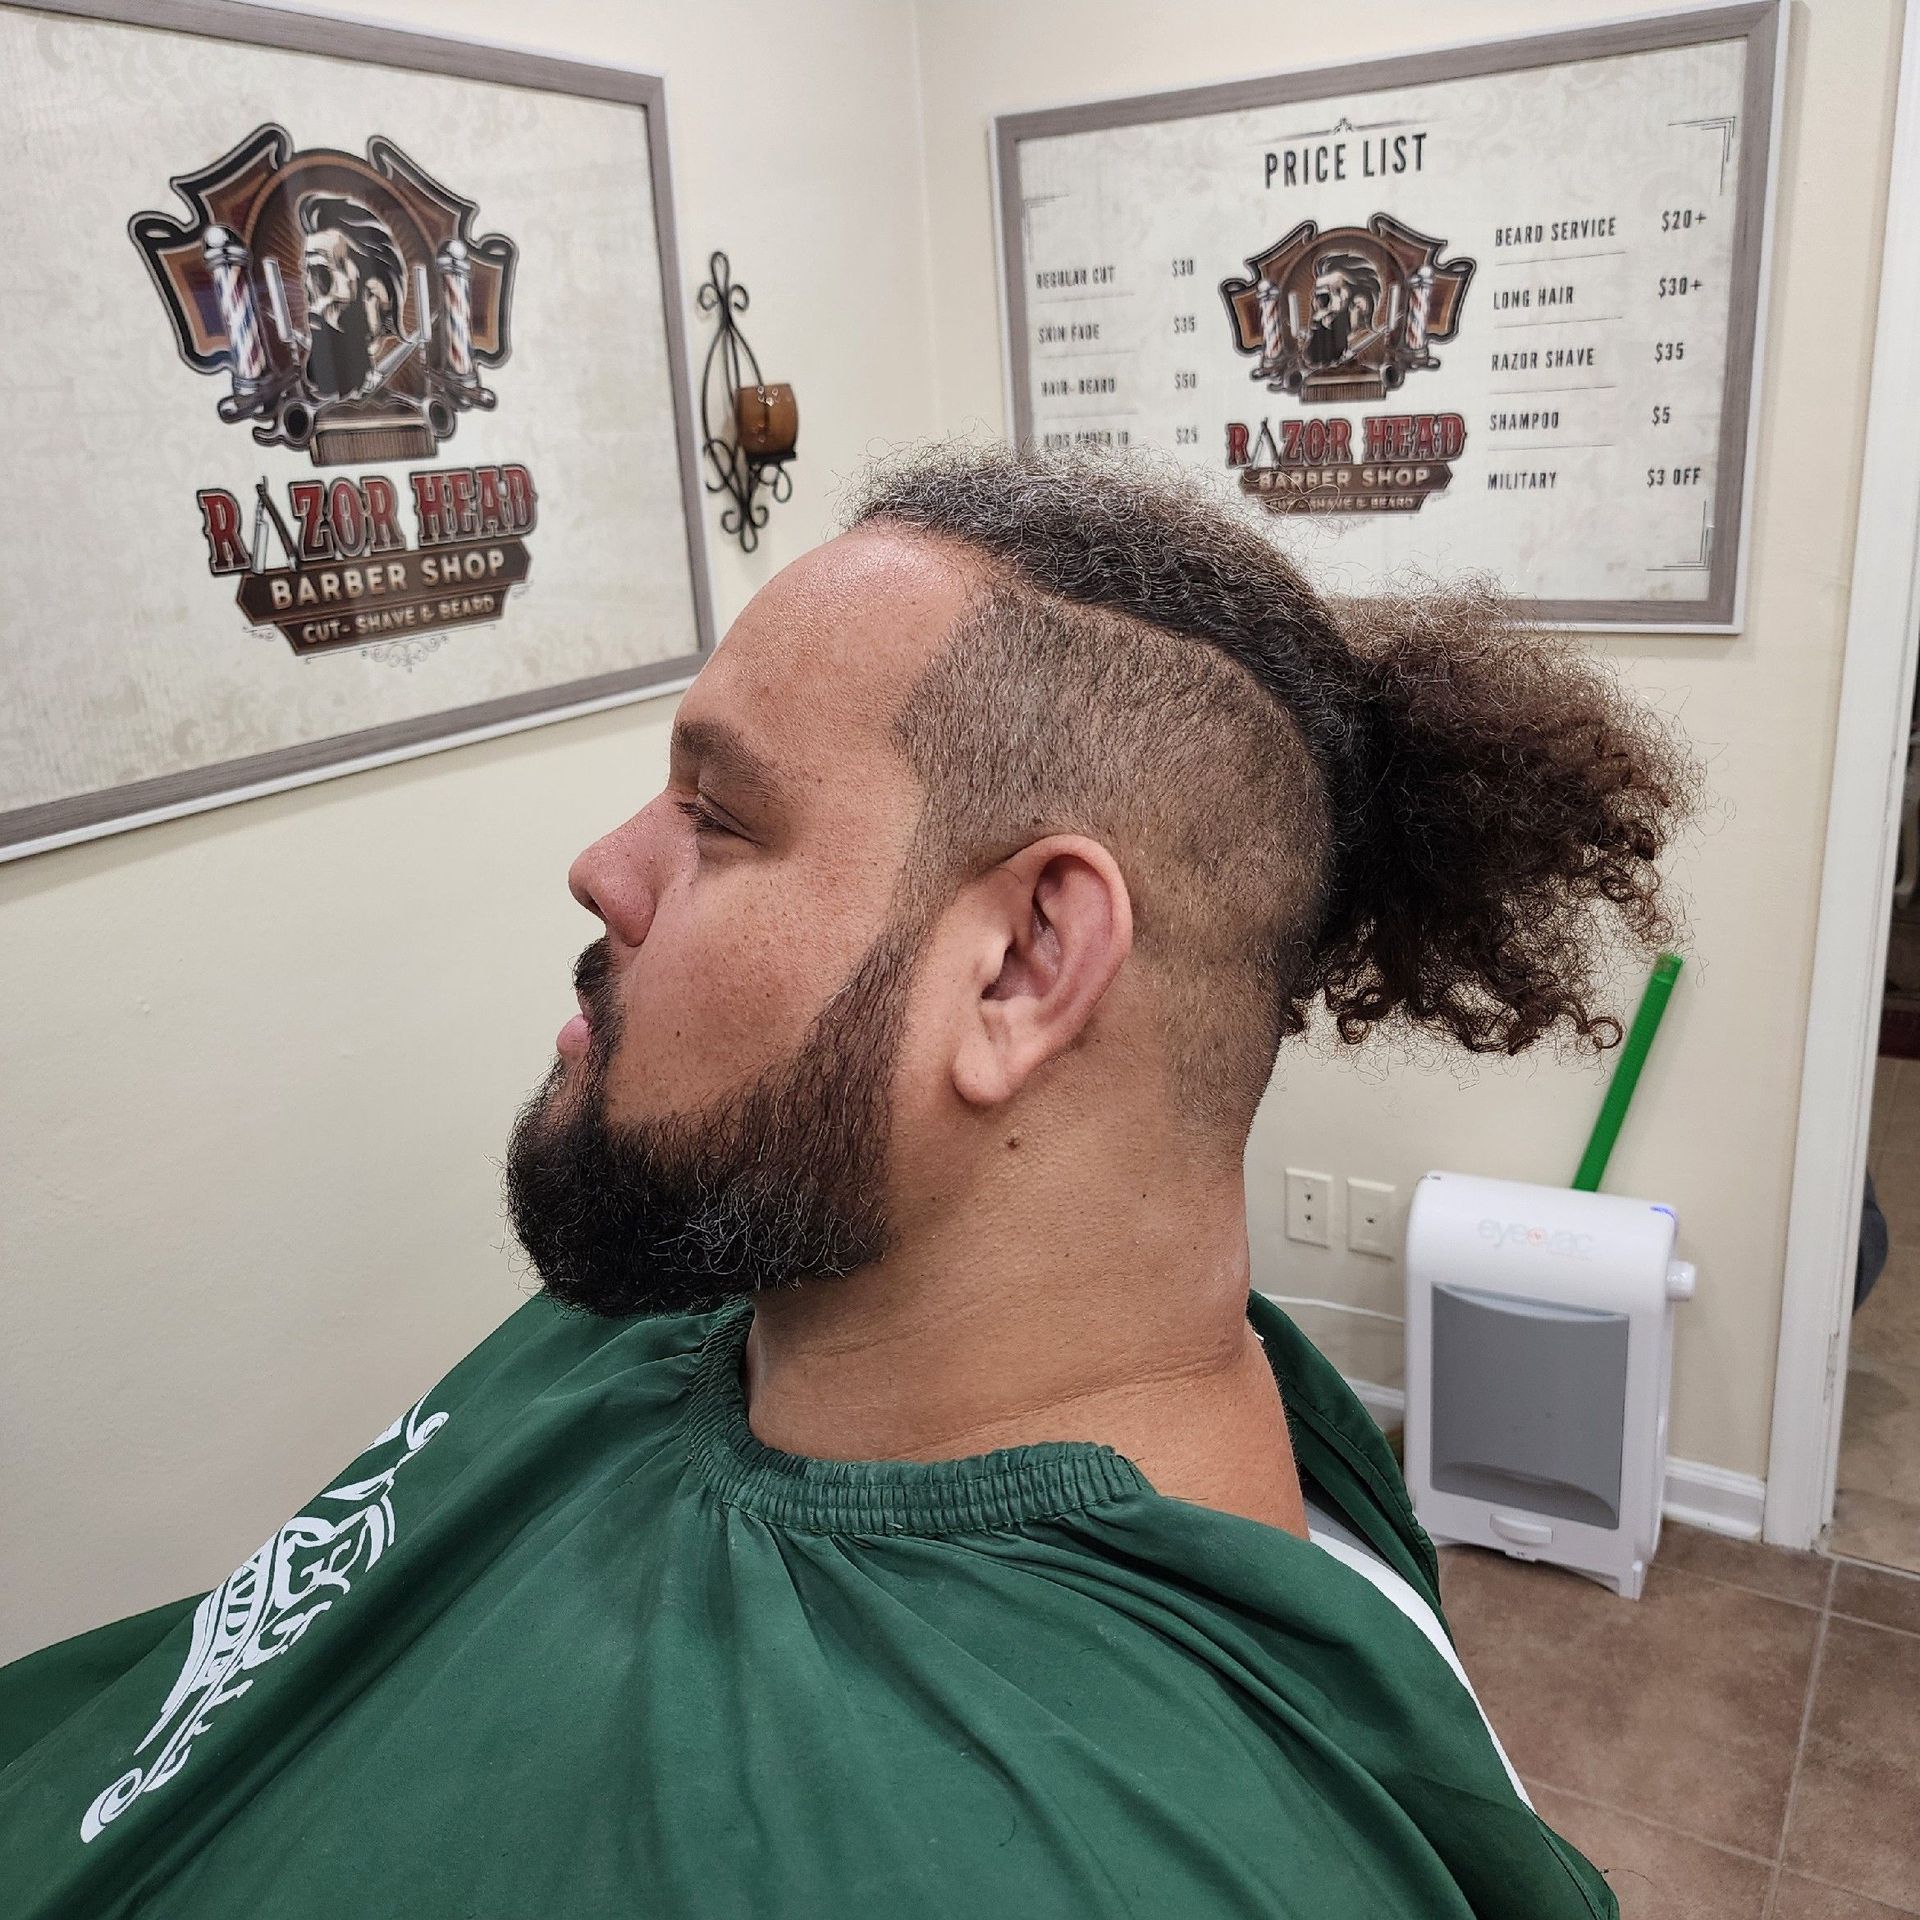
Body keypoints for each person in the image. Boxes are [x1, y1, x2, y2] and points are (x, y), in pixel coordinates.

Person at [1, 445, 1699, 1917]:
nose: (603, 869)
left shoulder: (1093, 1857)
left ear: (1029, 962)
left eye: (718, 818)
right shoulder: (710, 1285)